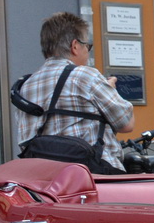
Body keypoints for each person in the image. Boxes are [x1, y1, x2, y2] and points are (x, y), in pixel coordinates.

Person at [15, 12, 133, 173]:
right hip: (93, 177)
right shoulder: (85, 75)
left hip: (45, 179)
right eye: (87, 46)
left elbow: (24, 141)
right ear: (75, 46)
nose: (87, 51)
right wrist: (110, 90)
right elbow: (126, 124)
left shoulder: (26, 86)